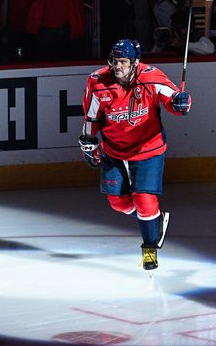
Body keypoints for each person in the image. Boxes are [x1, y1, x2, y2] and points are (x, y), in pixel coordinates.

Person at [79, 38, 192, 270]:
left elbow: (173, 99)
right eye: (113, 61)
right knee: (118, 203)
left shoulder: (151, 77)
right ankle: (154, 219)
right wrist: (89, 143)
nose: (116, 66)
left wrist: (182, 103)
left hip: (148, 148)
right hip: (114, 150)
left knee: (143, 200)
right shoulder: (98, 82)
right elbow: (91, 117)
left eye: (122, 62)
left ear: (135, 62)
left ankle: (149, 249)